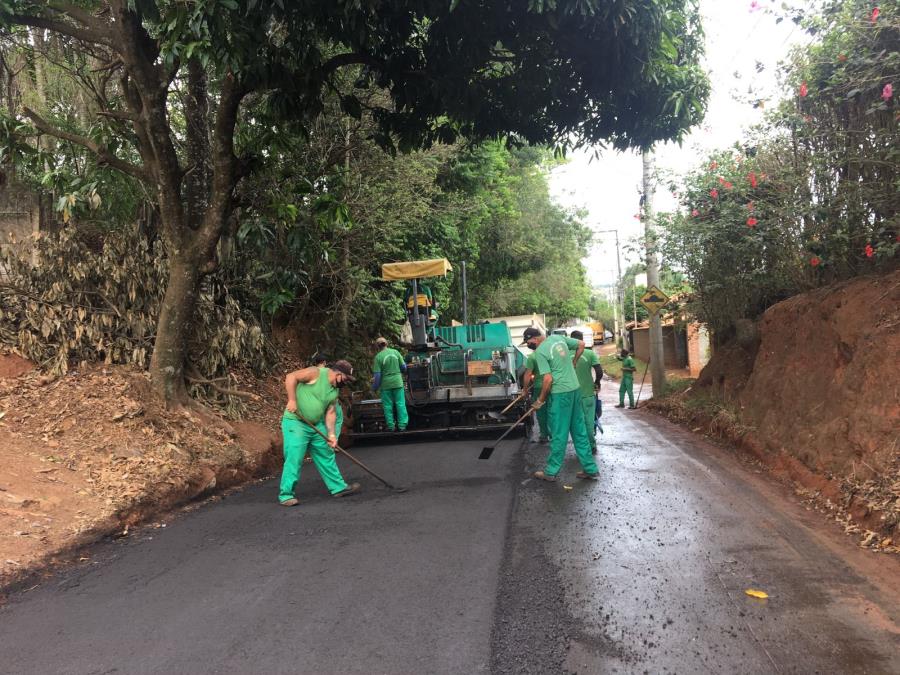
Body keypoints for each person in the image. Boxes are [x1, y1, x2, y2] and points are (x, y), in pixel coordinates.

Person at [278, 359, 361, 506]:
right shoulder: (315, 373)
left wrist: (331, 434)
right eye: (346, 379)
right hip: (297, 422)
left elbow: (330, 412)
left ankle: (338, 487)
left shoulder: (334, 390)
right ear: (338, 373)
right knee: (294, 457)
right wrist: (292, 400)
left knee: (326, 453)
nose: (346, 383)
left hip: (316, 425)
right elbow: (291, 377)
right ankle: (286, 495)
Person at [522, 327, 599, 481]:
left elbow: (548, 380)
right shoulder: (558, 338)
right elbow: (581, 344)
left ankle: (551, 472)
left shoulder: (540, 352)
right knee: (580, 431)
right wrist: (574, 361)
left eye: (528, 342)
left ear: (533, 339)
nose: (529, 344)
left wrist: (540, 400)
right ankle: (590, 469)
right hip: (575, 389)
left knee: (559, 433)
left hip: (560, 394)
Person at [570, 330, 603, 455]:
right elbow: (599, 371)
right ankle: (591, 445)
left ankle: (581, 447)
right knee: (589, 422)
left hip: (571, 395)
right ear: (582, 340)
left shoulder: (564, 354)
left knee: (576, 423)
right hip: (588, 394)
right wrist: (597, 382)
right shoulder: (589, 353)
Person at [372, 337, 409, 432]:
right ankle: (402, 426)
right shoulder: (395, 352)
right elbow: (404, 367)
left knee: (388, 406)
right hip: (397, 382)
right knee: (400, 404)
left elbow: (377, 376)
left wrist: (375, 387)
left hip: (386, 385)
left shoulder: (378, 357)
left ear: (377, 346)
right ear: (386, 343)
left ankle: (391, 426)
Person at [523, 346, 551, 443]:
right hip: (552, 386)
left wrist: (525, 389)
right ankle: (554, 434)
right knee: (552, 410)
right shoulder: (550, 354)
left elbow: (527, 374)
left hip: (539, 387)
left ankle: (544, 435)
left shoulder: (532, 357)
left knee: (541, 411)